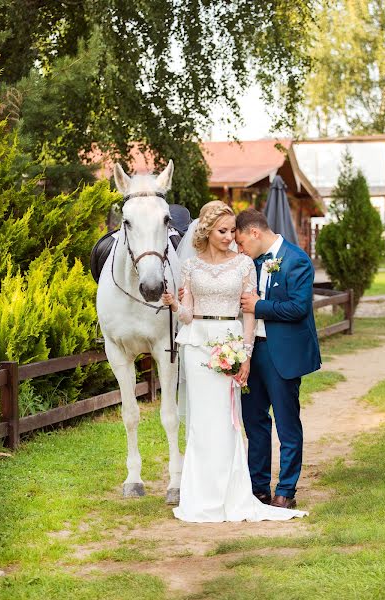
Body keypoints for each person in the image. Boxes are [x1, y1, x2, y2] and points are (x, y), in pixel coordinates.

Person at [162, 201, 307, 522]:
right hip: (197, 343)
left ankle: (251, 490)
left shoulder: (245, 265)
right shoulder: (191, 267)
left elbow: (254, 310)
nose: (230, 238)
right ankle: (203, 493)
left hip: (231, 339)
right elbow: (187, 315)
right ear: (207, 231)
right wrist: (174, 303)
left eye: (233, 232)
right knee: (204, 420)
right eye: (224, 231)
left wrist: (245, 353)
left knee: (230, 421)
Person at [236, 209, 321, 509]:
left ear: (255, 233)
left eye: (242, 241)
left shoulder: (296, 260)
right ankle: (258, 488)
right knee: (254, 421)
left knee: (286, 423)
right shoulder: (248, 264)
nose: (240, 248)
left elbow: (298, 308)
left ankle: (286, 490)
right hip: (250, 353)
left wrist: (260, 306)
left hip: (281, 353)